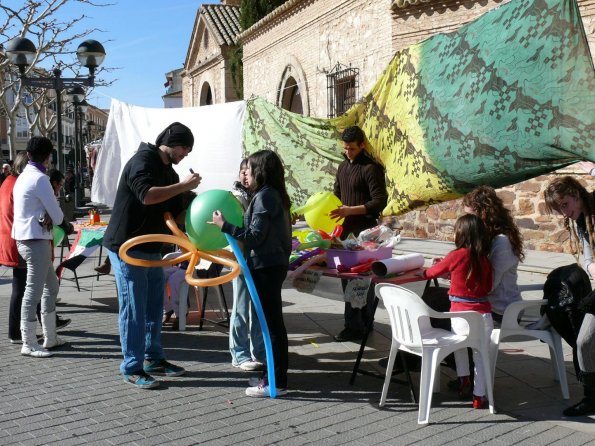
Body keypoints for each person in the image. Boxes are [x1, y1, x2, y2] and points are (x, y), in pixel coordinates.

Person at [102, 122, 201, 389]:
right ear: (170, 141)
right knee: (134, 308)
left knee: (154, 306)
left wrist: (198, 220)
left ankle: (153, 358)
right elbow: (147, 196)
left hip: (152, 248)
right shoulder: (142, 161)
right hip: (127, 247)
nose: (185, 154)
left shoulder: (168, 172)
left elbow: (173, 213)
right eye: (184, 148)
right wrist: (183, 187)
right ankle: (132, 367)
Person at [210, 149, 292, 398]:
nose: (248, 174)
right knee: (272, 324)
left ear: (261, 172)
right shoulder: (270, 195)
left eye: (251, 169)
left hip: (266, 266)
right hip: (270, 264)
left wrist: (225, 225)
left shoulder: (265, 197)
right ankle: (273, 377)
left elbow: (255, 237)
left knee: (272, 327)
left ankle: (276, 382)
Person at [422, 214, 493, 409]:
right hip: (483, 317)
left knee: (460, 347)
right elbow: (487, 287)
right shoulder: (485, 260)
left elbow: (430, 273)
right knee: (481, 356)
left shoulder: (456, 255)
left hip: (460, 317)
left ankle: (464, 380)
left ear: (460, 234)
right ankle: (479, 397)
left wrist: (438, 267)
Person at [330, 125, 388, 342]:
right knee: (348, 279)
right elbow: (337, 195)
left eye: (352, 149)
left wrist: (350, 210)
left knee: (363, 279)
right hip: (346, 231)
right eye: (345, 149)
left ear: (362, 145)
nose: (348, 152)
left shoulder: (371, 168)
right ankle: (356, 323)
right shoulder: (342, 167)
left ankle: (361, 323)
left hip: (365, 231)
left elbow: (378, 201)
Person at [544, 170, 595, 416]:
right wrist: (591, 266)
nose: (564, 212)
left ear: (576, 194)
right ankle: (591, 396)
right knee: (584, 340)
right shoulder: (580, 221)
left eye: (565, 205)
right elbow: (586, 258)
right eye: (559, 209)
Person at [12, 137, 67, 357]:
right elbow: (58, 214)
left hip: (26, 239)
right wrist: (59, 219)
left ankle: (50, 337)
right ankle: (29, 342)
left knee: (50, 286)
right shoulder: (40, 179)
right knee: (33, 292)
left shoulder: (23, 176)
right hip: (35, 241)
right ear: (48, 156)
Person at [462, 186, 525, 324]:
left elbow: (488, 286)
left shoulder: (501, 242)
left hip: (503, 312)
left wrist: (459, 278)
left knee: (439, 303)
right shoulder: (486, 238)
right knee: (436, 297)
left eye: (470, 217)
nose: (467, 222)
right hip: (491, 306)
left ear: (484, 215)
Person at [229, 159, 265, 371]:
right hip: (241, 259)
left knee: (258, 309)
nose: (244, 175)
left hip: (258, 259)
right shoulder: (235, 198)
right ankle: (239, 354)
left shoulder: (260, 196)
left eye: (248, 171)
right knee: (241, 308)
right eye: (242, 171)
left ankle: (259, 351)